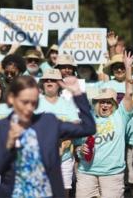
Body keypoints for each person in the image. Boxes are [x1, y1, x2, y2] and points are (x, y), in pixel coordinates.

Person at [0, 75, 96, 197]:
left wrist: (78, 93)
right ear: (11, 98)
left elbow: (88, 128)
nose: (29, 108)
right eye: (24, 102)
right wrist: (8, 146)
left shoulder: (48, 122)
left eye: (34, 103)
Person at [74, 51, 133, 198]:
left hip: (112, 174)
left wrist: (128, 68)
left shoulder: (121, 115)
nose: (105, 105)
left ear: (114, 104)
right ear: (96, 104)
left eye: (109, 102)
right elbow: (77, 146)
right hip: (86, 172)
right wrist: (79, 150)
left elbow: (129, 93)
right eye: (102, 102)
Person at [35, 69, 80, 197]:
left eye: (53, 80)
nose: (49, 81)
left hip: (64, 159)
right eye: (46, 79)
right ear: (42, 83)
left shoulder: (68, 104)